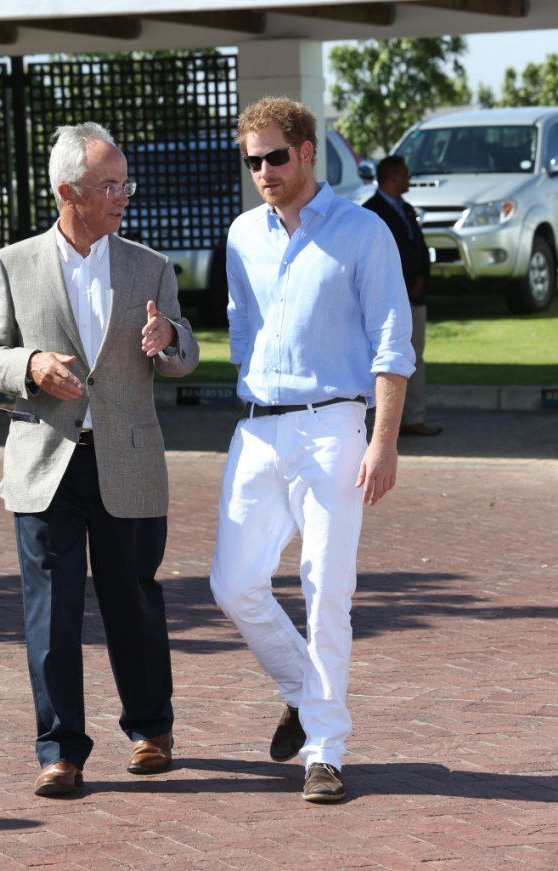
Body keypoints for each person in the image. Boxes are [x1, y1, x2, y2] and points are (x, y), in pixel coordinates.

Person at [0, 122, 199, 797]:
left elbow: (187, 354)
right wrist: (32, 365)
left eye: (124, 183)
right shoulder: (12, 264)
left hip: (127, 460)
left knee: (132, 599)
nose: (122, 195)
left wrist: (167, 337)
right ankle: (61, 750)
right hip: (46, 463)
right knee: (52, 609)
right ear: (67, 191)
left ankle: (150, 729)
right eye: (109, 185)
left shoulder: (149, 265)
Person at [210, 97, 415, 803]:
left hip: (333, 426)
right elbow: (244, 330)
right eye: (253, 161)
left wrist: (382, 442)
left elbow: (393, 346)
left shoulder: (364, 233)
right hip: (257, 426)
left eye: (274, 156)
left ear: (305, 153)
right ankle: (303, 688)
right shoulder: (242, 236)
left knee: (328, 587)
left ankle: (324, 748)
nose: (263, 171)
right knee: (231, 583)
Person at [364, 155, 442, 437]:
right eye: (406, 174)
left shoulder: (406, 209)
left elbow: (418, 249)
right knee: (380, 359)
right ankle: (377, 425)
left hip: (414, 298)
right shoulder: (369, 213)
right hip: (384, 301)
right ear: (393, 176)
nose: (409, 179)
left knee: (413, 357)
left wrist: (421, 278)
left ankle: (413, 418)